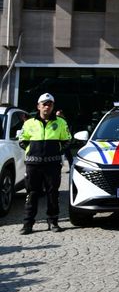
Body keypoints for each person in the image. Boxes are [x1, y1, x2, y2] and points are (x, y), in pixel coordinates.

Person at [18, 93, 71, 235]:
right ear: (38, 106)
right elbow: (22, 140)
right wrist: (33, 152)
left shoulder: (60, 122)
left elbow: (67, 140)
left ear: (53, 106)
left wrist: (56, 151)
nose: (47, 106)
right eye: (44, 104)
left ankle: (53, 222)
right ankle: (28, 224)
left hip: (52, 165)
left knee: (53, 193)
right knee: (32, 193)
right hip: (33, 165)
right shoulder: (29, 123)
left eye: (50, 104)